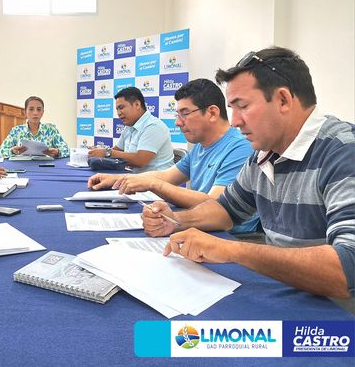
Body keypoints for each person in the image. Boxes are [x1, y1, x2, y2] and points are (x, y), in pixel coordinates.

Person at [142, 47, 354, 299]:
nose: (234, 121)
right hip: (289, 291)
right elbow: (226, 209)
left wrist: (232, 250)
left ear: (283, 100)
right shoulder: (264, 152)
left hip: (336, 311)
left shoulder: (344, 153)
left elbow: (348, 269)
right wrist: (176, 221)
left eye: (241, 106)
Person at [87, 79, 259, 234]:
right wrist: (118, 179)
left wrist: (153, 184)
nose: (177, 122)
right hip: (199, 227)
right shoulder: (200, 146)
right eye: (177, 114)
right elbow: (167, 176)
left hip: (232, 236)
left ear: (212, 113)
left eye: (184, 113)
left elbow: (216, 204)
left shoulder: (240, 148)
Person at [88, 87, 174, 173]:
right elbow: (117, 150)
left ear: (137, 104)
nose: (118, 113)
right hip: (133, 177)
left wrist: (107, 153)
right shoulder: (129, 126)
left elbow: (140, 160)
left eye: (121, 107)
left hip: (156, 179)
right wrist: (98, 151)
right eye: (117, 109)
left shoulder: (154, 126)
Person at [0, 96, 69, 158]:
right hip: (23, 167)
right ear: (25, 112)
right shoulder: (16, 131)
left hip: (46, 166)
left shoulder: (51, 130)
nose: (35, 113)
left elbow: (66, 151)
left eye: (39, 109)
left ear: (42, 112)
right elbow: (0, 152)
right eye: (31, 109)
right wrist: (12, 151)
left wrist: (57, 152)